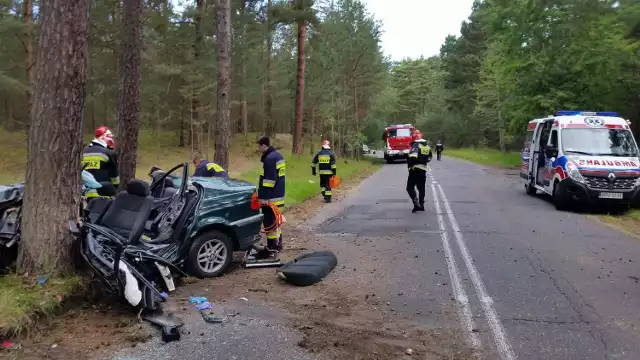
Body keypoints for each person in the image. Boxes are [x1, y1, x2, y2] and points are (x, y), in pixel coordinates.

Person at [257, 136, 286, 251]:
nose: (259, 149)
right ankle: (278, 243)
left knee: (269, 222)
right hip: (279, 194)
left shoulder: (269, 159)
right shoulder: (278, 156)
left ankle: (272, 246)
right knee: (276, 221)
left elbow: (269, 181)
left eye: (259, 147)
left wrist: (264, 198)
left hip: (271, 197)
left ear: (264, 145)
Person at [82, 126, 119, 199]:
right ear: (103, 137)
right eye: (109, 136)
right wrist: (114, 188)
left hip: (87, 193)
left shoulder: (83, 152)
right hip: (103, 193)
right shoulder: (108, 153)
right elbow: (114, 175)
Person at [406, 131, 432, 213]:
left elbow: (413, 157)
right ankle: (422, 205)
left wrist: (410, 164)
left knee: (409, 187)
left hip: (414, 169)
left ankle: (415, 202)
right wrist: (423, 161)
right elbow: (430, 158)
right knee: (421, 188)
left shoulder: (416, 145)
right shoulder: (427, 146)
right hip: (423, 169)